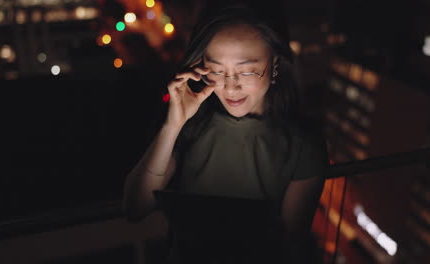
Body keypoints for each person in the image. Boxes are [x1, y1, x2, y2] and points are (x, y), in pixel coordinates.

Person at [122, 1, 328, 263]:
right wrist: (173, 125)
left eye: (247, 71)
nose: (231, 88)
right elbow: (135, 208)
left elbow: (290, 245)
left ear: (275, 63)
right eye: (217, 71)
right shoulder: (191, 125)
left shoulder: (303, 144)